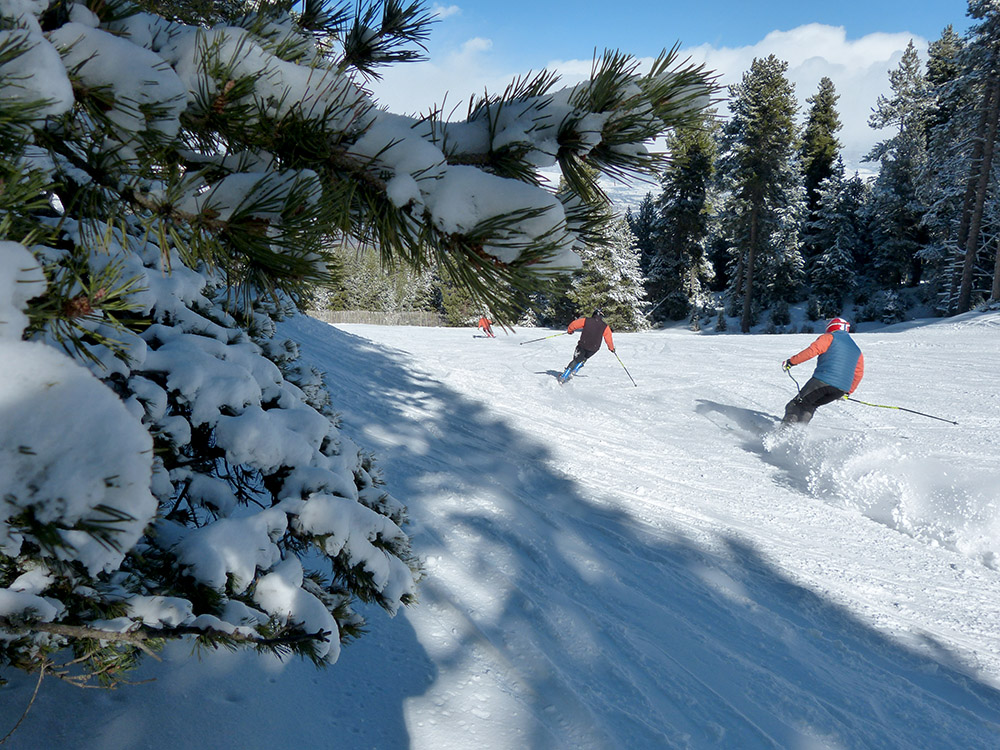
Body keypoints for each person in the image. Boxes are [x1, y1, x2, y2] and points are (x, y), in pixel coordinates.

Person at [781, 317, 864, 425]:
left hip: (823, 380)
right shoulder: (856, 349)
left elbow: (811, 351)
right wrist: (848, 392)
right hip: (841, 389)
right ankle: (798, 432)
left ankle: (784, 433)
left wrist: (791, 362)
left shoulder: (830, 337)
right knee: (809, 405)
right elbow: (858, 373)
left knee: (795, 405)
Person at [559, 309, 615, 383]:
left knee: (576, 359)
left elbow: (574, 324)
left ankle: (564, 376)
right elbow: (608, 338)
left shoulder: (586, 320)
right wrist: (611, 348)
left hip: (583, 344)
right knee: (584, 358)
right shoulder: (605, 326)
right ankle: (575, 370)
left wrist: (570, 331)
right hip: (594, 348)